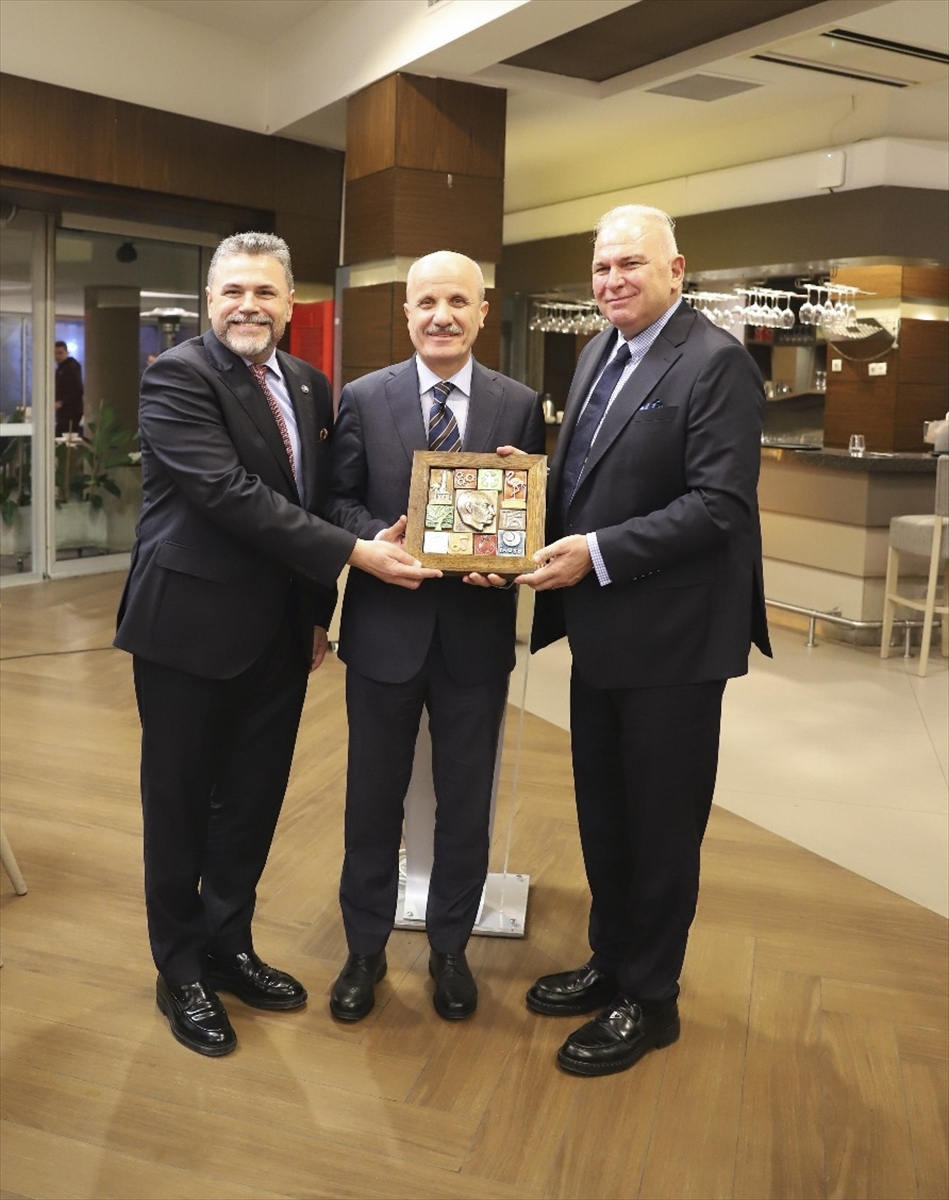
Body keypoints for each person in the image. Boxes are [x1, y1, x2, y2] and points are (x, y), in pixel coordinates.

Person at [114, 232, 437, 1057]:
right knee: (180, 805)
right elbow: (229, 495)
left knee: (251, 803)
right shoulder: (177, 376)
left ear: (291, 303)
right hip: (186, 632)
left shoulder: (307, 382)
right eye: (232, 292)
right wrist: (356, 554)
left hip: (280, 634)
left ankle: (229, 947)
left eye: (264, 292)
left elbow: (314, 498)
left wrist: (321, 604)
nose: (248, 306)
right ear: (209, 301)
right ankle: (179, 969)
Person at [516, 205, 771, 1076]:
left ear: (675, 269)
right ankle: (612, 959)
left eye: (629, 263)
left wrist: (593, 553)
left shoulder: (715, 362)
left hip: (675, 641)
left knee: (661, 827)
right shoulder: (598, 352)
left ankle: (651, 999)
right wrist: (520, 509)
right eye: (600, 268)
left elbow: (718, 505)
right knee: (606, 814)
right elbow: (589, 477)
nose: (612, 280)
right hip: (602, 635)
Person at [325, 250, 544, 1023]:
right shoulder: (363, 397)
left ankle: (450, 948)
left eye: (457, 301)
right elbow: (336, 500)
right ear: (407, 313)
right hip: (383, 632)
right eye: (426, 303)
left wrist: (511, 556)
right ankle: (364, 949)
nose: (441, 316)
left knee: (465, 802)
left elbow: (527, 515)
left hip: (475, 638)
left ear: (482, 312)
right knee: (370, 802)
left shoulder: (518, 404)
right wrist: (371, 540)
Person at [54, 341, 84, 436]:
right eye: (55, 353)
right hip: (63, 411)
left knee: (64, 435)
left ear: (67, 352)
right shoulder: (60, 369)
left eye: (60, 353)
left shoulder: (71, 367)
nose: (57, 356)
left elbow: (77, 389)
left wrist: (62, 402)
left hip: (71, 410)